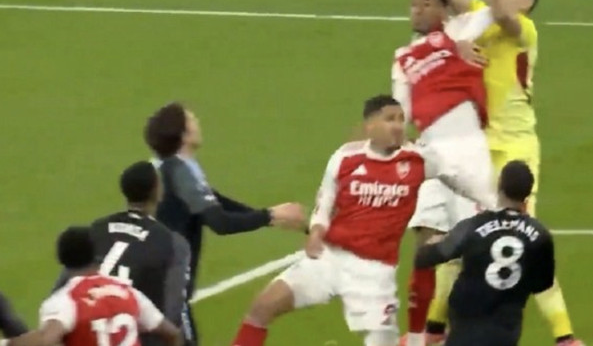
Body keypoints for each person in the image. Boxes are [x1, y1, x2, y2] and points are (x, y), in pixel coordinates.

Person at [408, 0, 583, 346]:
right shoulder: (482, 17)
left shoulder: (523, 29)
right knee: (467, 234)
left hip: (517, 145)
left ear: (528, 2)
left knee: (524, 235)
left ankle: (564, 336)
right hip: (480, 143)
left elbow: (498, 11)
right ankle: (434, 330)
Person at [230, 95, 491, 346]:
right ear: (370, 125)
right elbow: (324, 204)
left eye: (401, 119)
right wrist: (316, 233)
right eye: (389, 119)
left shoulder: (418, 160)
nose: (398, 126)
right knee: (262, 307)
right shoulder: (345, 157)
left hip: (374, 273)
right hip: (330, 259)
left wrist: (492, 204)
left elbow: (457, 178)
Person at [145, 102, 306, 345]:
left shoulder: (171, 167)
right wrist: (269, 215)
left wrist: (272, 217)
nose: (198, 123)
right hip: (167, 291)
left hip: (150, 283)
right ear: (184, 134)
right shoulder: (180, 173)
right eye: (192, 120)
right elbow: (220, 222)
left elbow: (216, 202)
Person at [392, 0, 498, 346]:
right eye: (414, 4)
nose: (418, 10)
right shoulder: (403, 57)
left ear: (443, 10)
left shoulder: (458, 30)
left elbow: (497, 9)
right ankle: (417, 336)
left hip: (467, 149)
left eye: (426, 3)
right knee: (425, 246)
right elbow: (401, 112)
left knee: (480, 245)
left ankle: (473, 331)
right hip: (429, 152)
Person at [414, 161, 555, 346]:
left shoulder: (473, 226)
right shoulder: (540, 235)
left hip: (466, 327)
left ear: (499, 187)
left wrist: (432, 239)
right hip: (506, 330)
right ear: (528, 193)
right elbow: (543, 283)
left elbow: (427, 257)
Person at [0, 227, 182, 346]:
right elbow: (172, 334)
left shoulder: (65, 301)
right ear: (95, 254)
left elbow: (46, 340)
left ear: (61, 259)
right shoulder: (129, 292)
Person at [90, 161, 191, 346]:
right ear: (157, 192)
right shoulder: (173, 243)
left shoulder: (96, 229)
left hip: (92, 332)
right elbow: (174, 306)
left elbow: (66, 285)